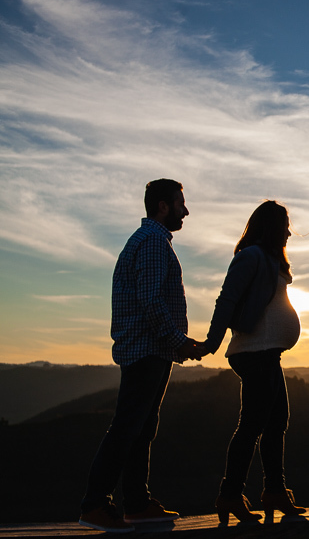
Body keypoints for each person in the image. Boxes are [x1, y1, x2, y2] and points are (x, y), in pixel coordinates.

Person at [79, 179, 206, 533]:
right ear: (163, 207)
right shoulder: (152, 242)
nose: (186, 211)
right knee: (127, 427)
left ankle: (136, 503)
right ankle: (94, 504)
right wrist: (177, 341)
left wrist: (177, 341)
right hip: (147, 349)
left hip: (151, 348)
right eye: (181, 203)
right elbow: (151, 302)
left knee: (141, 428)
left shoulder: (149, 241)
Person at [203, 200, 304, 525]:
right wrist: (211, 343)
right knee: (252, 426)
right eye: (285, 225)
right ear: (273, 226)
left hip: (267, 353)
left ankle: (273, 490)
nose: (289, 231)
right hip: (253, 352)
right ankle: (230, 495)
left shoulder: (271, 259)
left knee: (276, 424)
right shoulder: (250, 257)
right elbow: (227, 298)